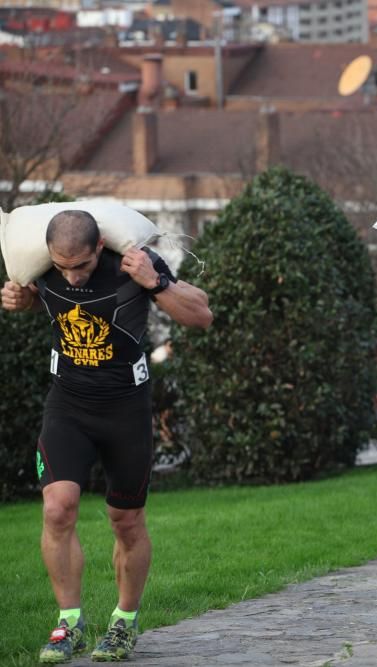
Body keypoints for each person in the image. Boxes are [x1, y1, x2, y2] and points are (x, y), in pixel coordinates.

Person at [1, 210, 212, 663]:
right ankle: (69, 623)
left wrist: (157, 283)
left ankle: (123, 623)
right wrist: (23, 301)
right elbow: (45, 297)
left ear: (99, 247)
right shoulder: (46, 266)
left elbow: (202, 315)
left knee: (127, 521)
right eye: (62, 267)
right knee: (58, 508)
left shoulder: (133, 263)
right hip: (68, 405)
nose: (72, 277)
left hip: (125, 410)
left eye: (81, 265)